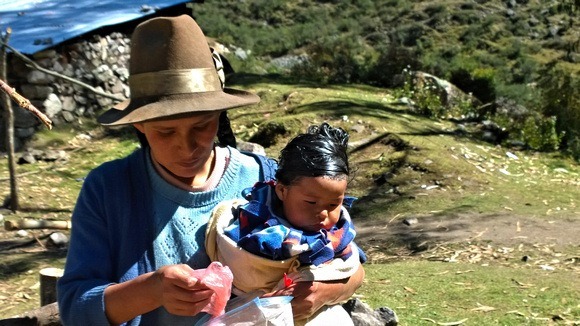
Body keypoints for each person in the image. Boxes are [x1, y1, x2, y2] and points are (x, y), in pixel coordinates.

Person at [56, 14, 364, 325]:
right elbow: (75, 310)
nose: (187, 146)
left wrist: (322, 294)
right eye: (165, 132)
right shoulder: (109, 189)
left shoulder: (261, 178)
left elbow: (351, 263)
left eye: (202, 126)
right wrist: (153, 290)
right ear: (139, 123)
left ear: (220, 114)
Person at [206, 122, 366, 325]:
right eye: (311, 202)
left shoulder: (336, 233)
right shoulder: (251, 222)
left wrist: (326, 290)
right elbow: (240, 264)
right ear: (281, 190)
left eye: (334, 203)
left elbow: (353, 266)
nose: (324, 213)